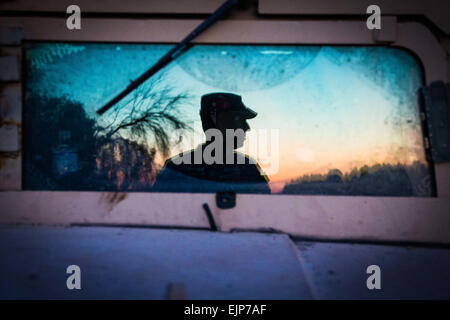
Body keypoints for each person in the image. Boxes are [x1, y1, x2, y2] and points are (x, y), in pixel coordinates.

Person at [153, 92, 270, 194]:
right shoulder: (177, 169)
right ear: (219, 123)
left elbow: (265, 211)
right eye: (239, 120)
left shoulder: (247, 167)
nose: (246, 128)